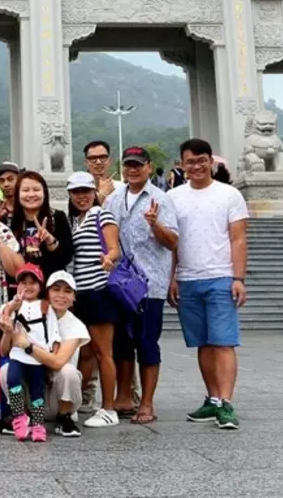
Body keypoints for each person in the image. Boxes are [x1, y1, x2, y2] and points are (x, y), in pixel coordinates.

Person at [168, 138, 248, 430]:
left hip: (221, 276)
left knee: (223, 341)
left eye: (202, 160)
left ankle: (226, 403)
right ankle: (213, 400)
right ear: (182, 164)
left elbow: (238, 238)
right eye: (191, 161)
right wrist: (173, 277)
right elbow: (173, 244)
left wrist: (238, 278)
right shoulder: (174, 197)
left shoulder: (229, 195)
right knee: (202, 343)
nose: (197, 166)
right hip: (188, 279)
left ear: (210, 161)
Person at [105, 147, 179, 425]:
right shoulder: (113, 199)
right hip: (121, 283)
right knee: (122, 342)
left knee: (147, 342)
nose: (133, 169)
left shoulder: (161, 199)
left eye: (138, 164)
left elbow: (173, 242)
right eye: (128, 165)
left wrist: (155, 225)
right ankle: (124, 397)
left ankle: (147, 403)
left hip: (150, 284)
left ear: (149, 167)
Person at [0, 270, 90, 438]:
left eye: (68, 291)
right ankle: (23, 417)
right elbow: (5, 351)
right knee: (7, 369)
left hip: (57, 396)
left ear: (74, 298)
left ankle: (64, 417)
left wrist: (27, 346)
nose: (61, 295)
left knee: (68, 371)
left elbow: (57, 362)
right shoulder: (28, 312)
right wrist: (8, 330)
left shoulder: (76, 325)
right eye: (56, 289)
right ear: (47, 292)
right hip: (32, 392)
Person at [66, 171, 122, 428]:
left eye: (86, 191)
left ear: (94, 193)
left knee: (103, 353)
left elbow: (114, 248)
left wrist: (109, 259)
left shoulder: (102, 214)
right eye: (76, 192)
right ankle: (82, 402)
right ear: (70, 195)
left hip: (100, 290)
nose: (82, 196)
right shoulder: (75, 220)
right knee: (85, 352)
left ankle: (109, 408)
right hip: (81, 294)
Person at [0, 264, 61, 442]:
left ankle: (38, 425)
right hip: (17, 354)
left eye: (33, 282)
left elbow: (54, 334)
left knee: (36, 390)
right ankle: (19, 417)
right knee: (13, 380)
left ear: (41, 286)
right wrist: (12, 307)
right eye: (23, 283)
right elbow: (3, 315)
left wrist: (52, 356)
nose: (28, 286)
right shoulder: (14, 305)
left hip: (38, 356)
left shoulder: (46, 307)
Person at [9, 170, 73, 286]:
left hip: (51, 289)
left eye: (36, 190)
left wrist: (50, 241)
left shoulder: (57, 217)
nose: (31, 194)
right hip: (20, 289)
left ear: (44, 192)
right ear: (17, 194)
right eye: (25, 190)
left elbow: (67, 257)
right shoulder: (9, 222)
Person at [83, 140, 124, 206]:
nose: (98, 162)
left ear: (109, 161)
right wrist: (102, 194)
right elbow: (82, 215)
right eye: (93, 158)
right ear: (86, 163)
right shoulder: (80, 190)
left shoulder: (122, 188)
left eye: (102, 157)